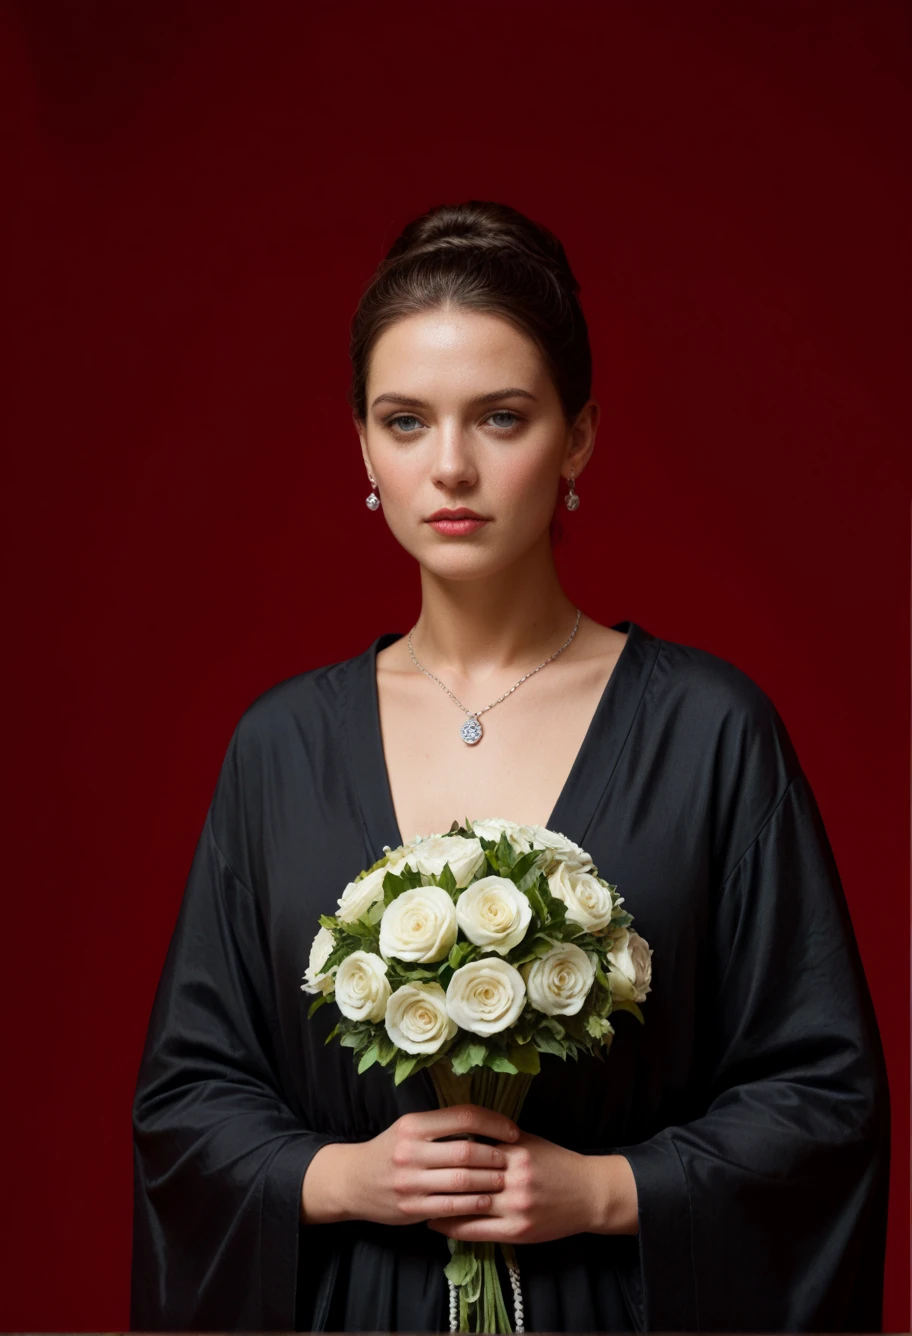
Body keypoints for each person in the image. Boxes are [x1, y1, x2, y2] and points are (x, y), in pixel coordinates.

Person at [130, 200, 891, 1334]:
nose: (450, 466)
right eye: (404, 420)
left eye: (500, 416)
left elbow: (825, 1096)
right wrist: (342, 1175)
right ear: (362, 449)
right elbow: (187, 1099)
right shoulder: (277, 748)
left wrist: (607, 1191)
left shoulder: (713, 731)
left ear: (577, 436)